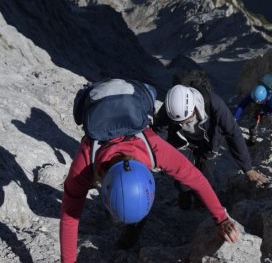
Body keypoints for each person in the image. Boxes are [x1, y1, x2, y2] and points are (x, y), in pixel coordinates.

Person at [60, 79, 238, 263]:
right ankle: (123, 220)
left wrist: (222, 219)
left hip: (129, 103)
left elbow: (196, 180)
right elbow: (69, 216)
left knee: (122, 208)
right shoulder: (87, 158)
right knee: (115, 210)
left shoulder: (154, 147)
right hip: (104, 109)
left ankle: (131, 229)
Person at [153, 84, 267, 209]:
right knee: (182, 178)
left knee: (205, 178)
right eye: (179, 122)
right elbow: (159, 135)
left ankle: (202, 203)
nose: (184, 123)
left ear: (194, 107)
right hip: (182, 143)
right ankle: (184, 195)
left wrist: (247, 168)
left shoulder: (214, 103)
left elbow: (233, 133)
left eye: (187, 119)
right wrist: (154, 158)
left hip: (209, 143)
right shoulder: (169, 109)